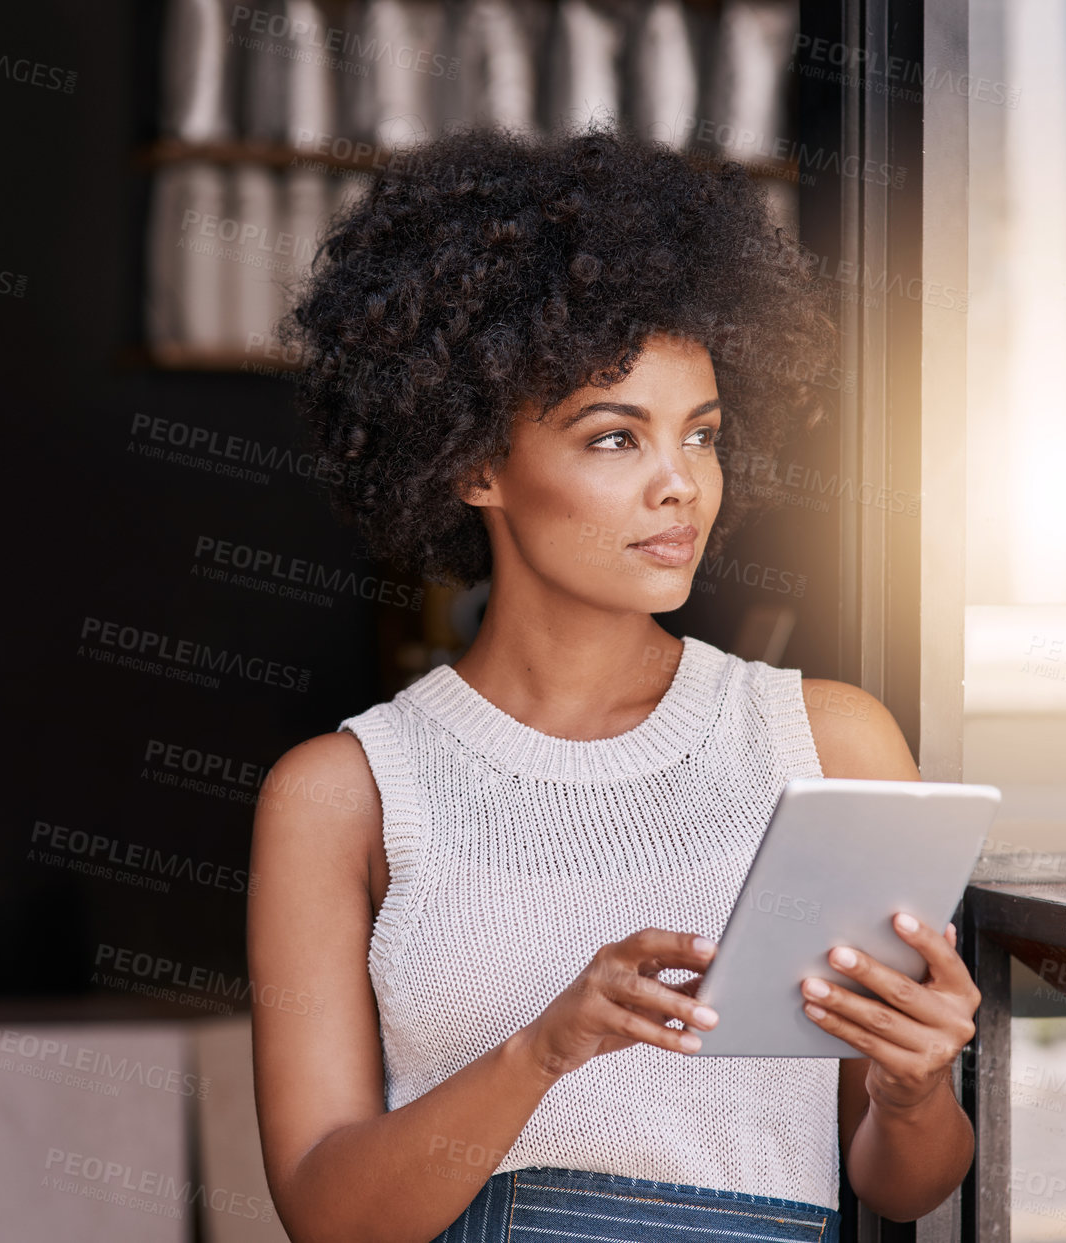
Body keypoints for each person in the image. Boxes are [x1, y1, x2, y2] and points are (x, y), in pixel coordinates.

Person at [246, 123, 981, 1242]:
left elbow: (901, 1182)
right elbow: (327, 1215)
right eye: (611, 439)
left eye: (702, 435)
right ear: (474, 463)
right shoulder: (344, 793)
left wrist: (913, 1089)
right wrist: (544, 1048)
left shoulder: (826, 744)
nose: (679, 486)